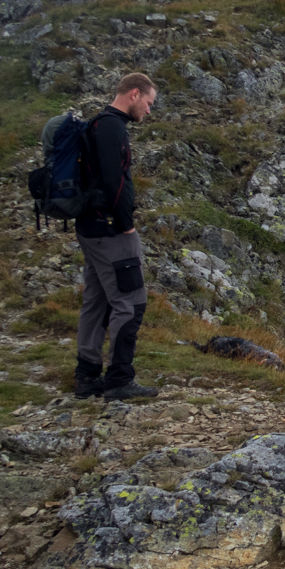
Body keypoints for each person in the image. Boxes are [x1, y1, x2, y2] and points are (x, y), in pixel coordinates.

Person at [73, 73, 160, 400]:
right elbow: (115, 182)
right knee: (131, 302)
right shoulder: (111, 127)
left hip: (90, 228)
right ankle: (119, 379)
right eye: (149, 103)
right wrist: (126, 224)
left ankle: (87, 376)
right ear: (134, 94)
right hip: (110, 230)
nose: (149, 111)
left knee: (96, 300)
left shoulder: (98, 124)